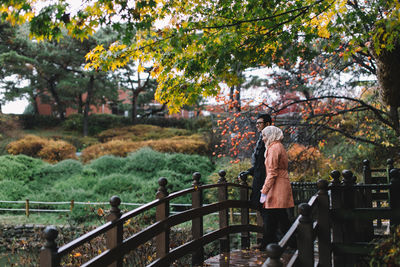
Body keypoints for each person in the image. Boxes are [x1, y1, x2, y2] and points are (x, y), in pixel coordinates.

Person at [259, 125, 294, 249]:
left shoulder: (273, 148)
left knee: (272, 216)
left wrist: (264, 191)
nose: (263, 138)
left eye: (264, 135)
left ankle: (267, 245)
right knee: (280, 217)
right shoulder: (279, 146)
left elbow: (272, 172)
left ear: (270, 135)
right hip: (280, 184)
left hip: (276, 186)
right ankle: (291, 243)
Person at [239, 113, 272, 210]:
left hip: (264, 179)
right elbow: (259, 163)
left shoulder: (269, 140)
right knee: (265, 209)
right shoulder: (261, 139)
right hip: (260, 177)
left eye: (259, 123)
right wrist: (250, 171)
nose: (257, 125)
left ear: (267, 124)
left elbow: (263, 163)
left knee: (267, 210)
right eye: (256, 123)